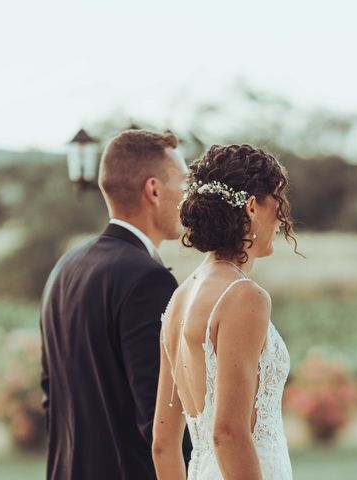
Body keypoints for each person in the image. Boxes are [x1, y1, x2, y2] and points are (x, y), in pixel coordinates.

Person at [40, 129, 192, 480]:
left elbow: (52, 399)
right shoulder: (147, 280)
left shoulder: (65, 267)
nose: (187, 197)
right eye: (182, 184)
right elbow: (160, 418)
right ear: (153, 190)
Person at [153, 144, 297, 479]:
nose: (282, 216)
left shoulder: (178, 299)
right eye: (277, 200)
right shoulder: (243, 296)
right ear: (251, 207)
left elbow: (163, 442)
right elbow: (229, 433)